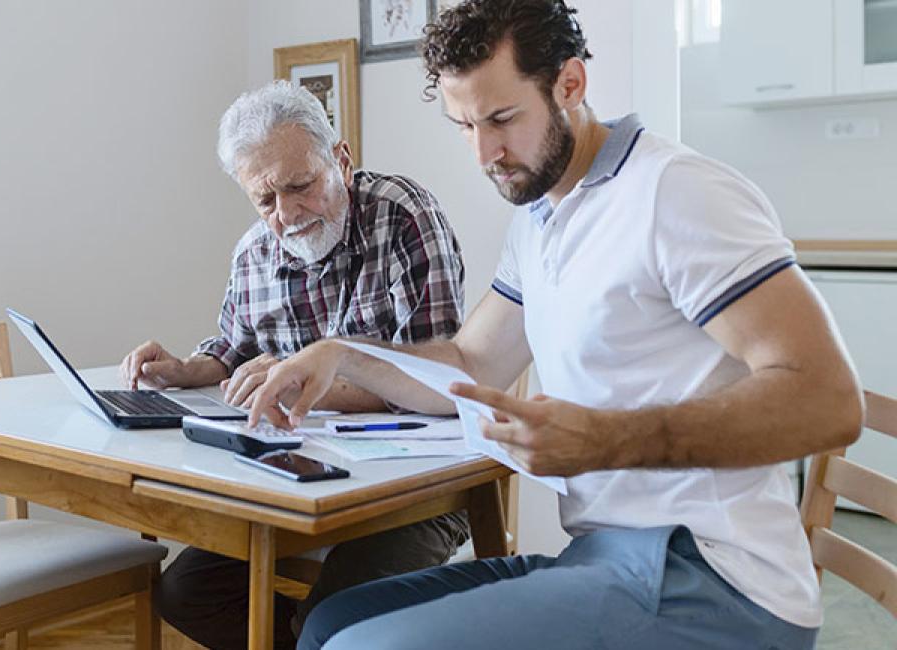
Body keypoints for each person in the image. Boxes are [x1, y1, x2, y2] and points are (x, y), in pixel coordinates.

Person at [247, 2, 863, 648]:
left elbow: (828, 398)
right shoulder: (540, 218)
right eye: (464, 125)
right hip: (602, 559)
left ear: (570, 84)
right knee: (329, 622)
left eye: (502, 119)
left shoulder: (674, 193)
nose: (484, 152)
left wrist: (606, 440)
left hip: (715, 579)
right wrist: (340, 352)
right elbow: (471, 365)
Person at [119, 80, 470, 650]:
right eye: (265, 200)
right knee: (185, 594)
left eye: (301, 185)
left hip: (417, 491)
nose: (287, 214)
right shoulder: (254, 251)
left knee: (328, 623)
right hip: (302, 484)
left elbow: (442, 384)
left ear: (342, 159)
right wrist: (186, 368)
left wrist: (313, 381)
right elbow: (231, 351)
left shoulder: (403, 217)